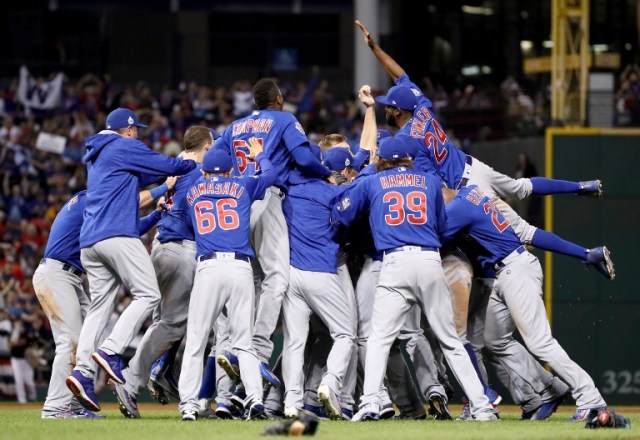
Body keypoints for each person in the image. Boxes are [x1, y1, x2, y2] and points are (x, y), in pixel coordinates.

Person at [354, 19, 615, 281]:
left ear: (399, 110)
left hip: (467, 188)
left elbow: (431, 185)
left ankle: (588, 253)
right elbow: (401, 76)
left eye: (387, 105)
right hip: (474, 166)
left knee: (524, 232)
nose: (384, 107)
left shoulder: (407, 141)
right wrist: (375, 48)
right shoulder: (422, 108)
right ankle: (583, 186)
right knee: (521, 187)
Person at [331, 136, 497, 422]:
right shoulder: (430, 182)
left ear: (382, 158)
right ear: (409, 158)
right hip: (429, 259)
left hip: (394, 262)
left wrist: (368, 175)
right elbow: (442, 226)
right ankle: (482, 407)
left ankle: (370, 402)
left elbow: (340, 214)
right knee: (451, 341)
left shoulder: (372, 182)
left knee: (379, 339)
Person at [65, 108, 197, 413]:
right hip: (117, 234)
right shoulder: (124, 146)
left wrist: (165, 186)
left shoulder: (99, 154)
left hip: (90, 242)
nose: (138, 133)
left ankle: (83, 373)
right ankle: (111, 352)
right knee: (148, 294)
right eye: (135, 128)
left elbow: (151, 174)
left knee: (99, 309)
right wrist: (190, 164)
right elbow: (167, 164)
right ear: (126, 130)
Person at [441, 184, 607, 421]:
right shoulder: (470, 192)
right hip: (502, 274)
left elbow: (431, 236)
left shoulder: (457, 207)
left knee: (540, 342)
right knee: (493, 340)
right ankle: (549, 389)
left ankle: (590, 398)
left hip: (515, 270)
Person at [214, 78, 331, 395]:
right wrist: (327, 173)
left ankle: (234, 357)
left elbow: (213, 158)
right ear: (278, 98)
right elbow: (306, 159)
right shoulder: (285, 119)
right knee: (277, 278)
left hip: (237, 201)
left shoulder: (235, 127)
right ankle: (257, 351)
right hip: (266, 197)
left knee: (251, 282)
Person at [111, 125, 214, 418]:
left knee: (163, 322)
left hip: (161, 246)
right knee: (172, 325)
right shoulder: (196, 172)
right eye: (212, 147)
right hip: (181, 251)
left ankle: (162, 372)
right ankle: (131, 381)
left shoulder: (179, 166)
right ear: (206, 146)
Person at [178, 138, 275, 421]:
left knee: (196, 340)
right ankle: (255, 401)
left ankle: (189, 405)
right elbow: (271, 176)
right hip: (240, 268)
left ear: (205, 172)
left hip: (208, 267)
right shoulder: (242, 184)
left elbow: (187, 223)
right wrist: (260, 156)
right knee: (243, 342)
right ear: (230, 170)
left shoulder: (194, 191)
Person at [280, 149, 356, 420]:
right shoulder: (331, 193)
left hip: (291, 274)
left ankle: (291, 402)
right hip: (321, 272)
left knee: (294, 342)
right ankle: (330, 383)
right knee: (345, 334)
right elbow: (349, 217)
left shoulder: (288, 188)